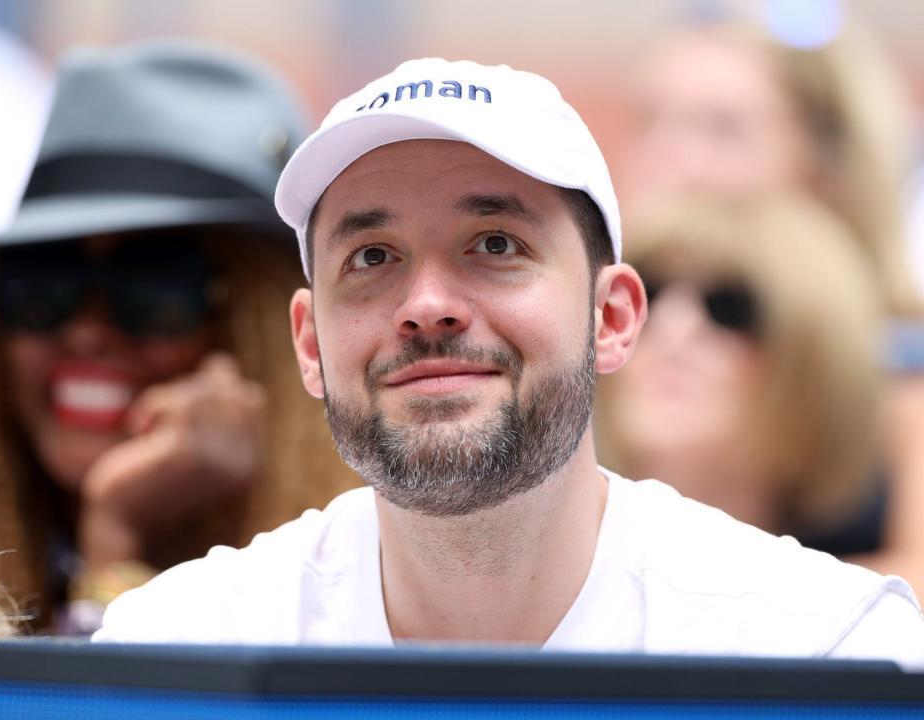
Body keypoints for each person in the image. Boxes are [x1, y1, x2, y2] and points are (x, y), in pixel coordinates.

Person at [95, 58, 924, 669]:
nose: (426, 304)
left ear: (611, 316)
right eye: (373, 256)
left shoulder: (821, 653)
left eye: (495, 244)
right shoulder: (177, 653)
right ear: (311, 344)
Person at [0, 41, 358, 634]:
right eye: (42, 280)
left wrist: (115, 550)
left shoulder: (370, 586)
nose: (87, 333)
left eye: (153, 286)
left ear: (270, 332)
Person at [616, 11, 924, 597]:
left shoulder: (906, 376)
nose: (672, 164)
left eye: (722, 129)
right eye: (651, 123)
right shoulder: (601, 335)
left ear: (827, 168)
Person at [595, 192, 882, 544]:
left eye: (729, 308)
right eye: (647, 295)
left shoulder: (859, 595)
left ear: (815, 359)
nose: (674, 326)